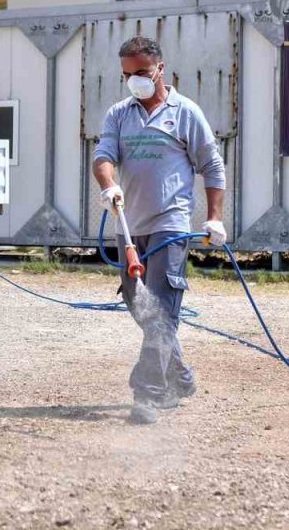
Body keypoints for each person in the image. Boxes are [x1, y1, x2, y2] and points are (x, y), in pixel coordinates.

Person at [92, 36, 227, 425]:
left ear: (160, 69)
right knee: (140, 306)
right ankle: (180, 375)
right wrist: (109, 184)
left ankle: (148, 394)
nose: (135, 80)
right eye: (127, 75)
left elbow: (212, 168)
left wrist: (214, 217)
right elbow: (103, 156)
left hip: (171, 226)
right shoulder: (119, 114)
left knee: (162, 312)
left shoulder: (186, 113)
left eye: (142, 73)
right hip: (129, 228)